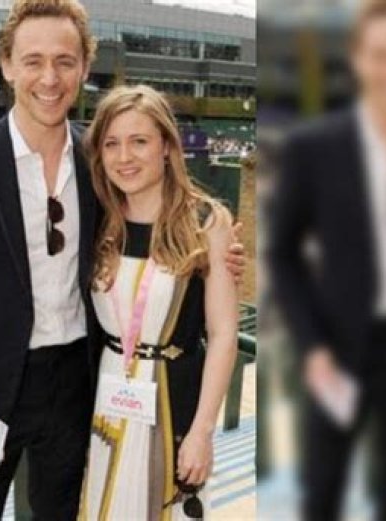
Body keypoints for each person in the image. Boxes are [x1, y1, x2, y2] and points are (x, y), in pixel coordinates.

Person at [0, 1, 244, 519]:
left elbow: (163, 221)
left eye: (65, 61)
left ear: (85, 68)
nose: (49, 78)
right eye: (33, 61)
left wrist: (220, 253)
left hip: (81, 384)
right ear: (7, 64)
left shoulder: (102, 160)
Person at [268, 1, 386, 520]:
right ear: (359, 58)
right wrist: (312, 346)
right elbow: (282, 255)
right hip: (336, 345)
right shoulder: (315, 147)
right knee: (323, 491)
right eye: (381, 55)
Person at [78, 85, 238, 520]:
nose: (124, 157)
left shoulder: (206, 221)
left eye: (139, 141)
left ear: (167, 146)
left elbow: (224, 335)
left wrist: (203, 431)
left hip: (173, 400)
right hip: (106, 398)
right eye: (111, 144)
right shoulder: (99, 219)